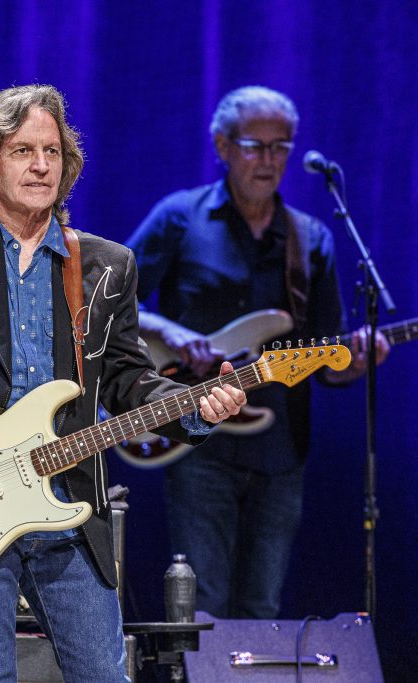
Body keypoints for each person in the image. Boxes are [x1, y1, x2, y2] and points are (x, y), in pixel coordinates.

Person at [0, 84, 246, 683]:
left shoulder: (107, 266)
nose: (40, 165)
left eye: (51, 152)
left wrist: (195, 407)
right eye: (23, 151)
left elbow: (128, 380)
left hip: (69, 504)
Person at [127, 85, 389, 619]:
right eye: (254, 146)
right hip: (196, 440)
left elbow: (326, 362)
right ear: (223, 146)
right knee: (203, 607)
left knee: (261, 608)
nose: (269, 160)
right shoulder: (180, 217)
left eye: (280, 147)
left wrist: (358, 361)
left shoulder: (310, 238)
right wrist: (171, 333)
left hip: (280, 449)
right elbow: (108, 301)